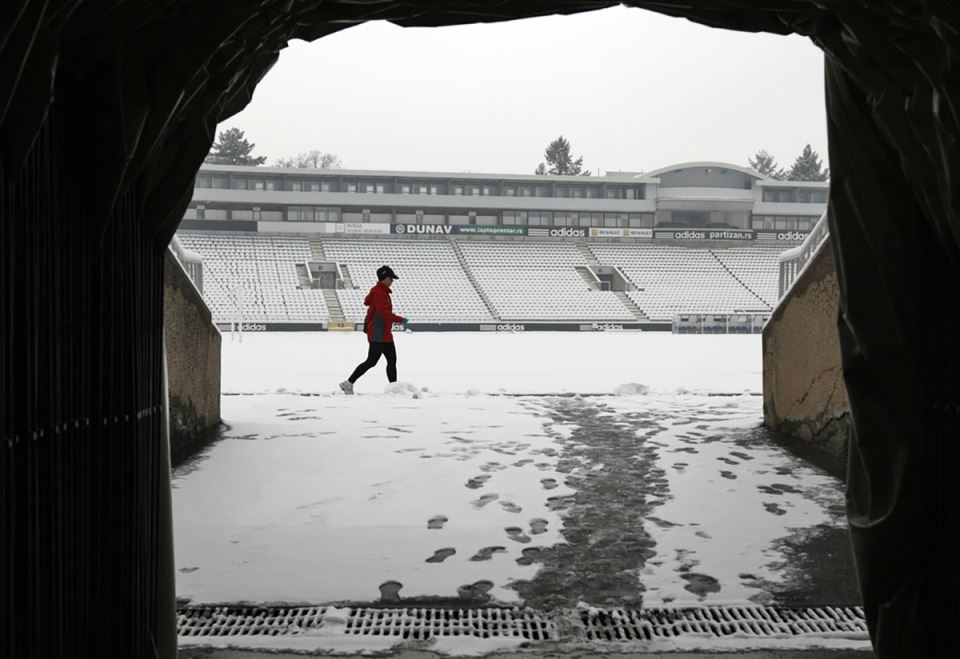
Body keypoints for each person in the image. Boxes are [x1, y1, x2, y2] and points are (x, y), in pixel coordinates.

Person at [339, 265, 409, 394]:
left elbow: (375, 312)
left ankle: (393, 388)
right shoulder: (378, 293)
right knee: (371, 361)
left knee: (392, 360)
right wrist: (400, 319)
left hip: (385, 333)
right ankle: (348, 383)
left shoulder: (383, 292)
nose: (392, 281)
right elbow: (384, 313)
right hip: (378, 334)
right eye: (391, 278)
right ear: (384, 278)